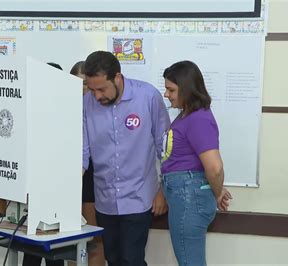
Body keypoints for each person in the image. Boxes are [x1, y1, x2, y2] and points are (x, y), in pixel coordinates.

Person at [82, 51, 170, 266]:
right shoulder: (87, 103)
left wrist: (163, 190)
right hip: (105, 201)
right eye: (92, 90)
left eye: (102, 89)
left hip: (139, 198)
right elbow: (82, 152)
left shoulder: (148, 97)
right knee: (113, 259)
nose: (97, 96)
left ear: (118, 78)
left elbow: (166, 149)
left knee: (132, 260)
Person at [160, 60, 232, 266]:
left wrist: (217, 192)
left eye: (171, 89)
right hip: (185, 197)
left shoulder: (198, 119)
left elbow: (215, 167)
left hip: (188, 199)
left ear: (187, 89)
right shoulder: (186, 116)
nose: (166, 94)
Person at [22, 62, 64, 266]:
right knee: (31, 253)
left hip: (58, 197)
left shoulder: (67, 114)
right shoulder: (27, 113)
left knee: (54, 254)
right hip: (32, 195)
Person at [70, 61, 105, 265]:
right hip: (71, 179)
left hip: (93, 178)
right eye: (76, 84)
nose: (81, 89)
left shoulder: (99, 108)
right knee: (69, 237)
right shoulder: (62, 110)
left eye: (85, 84)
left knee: (93, 237)